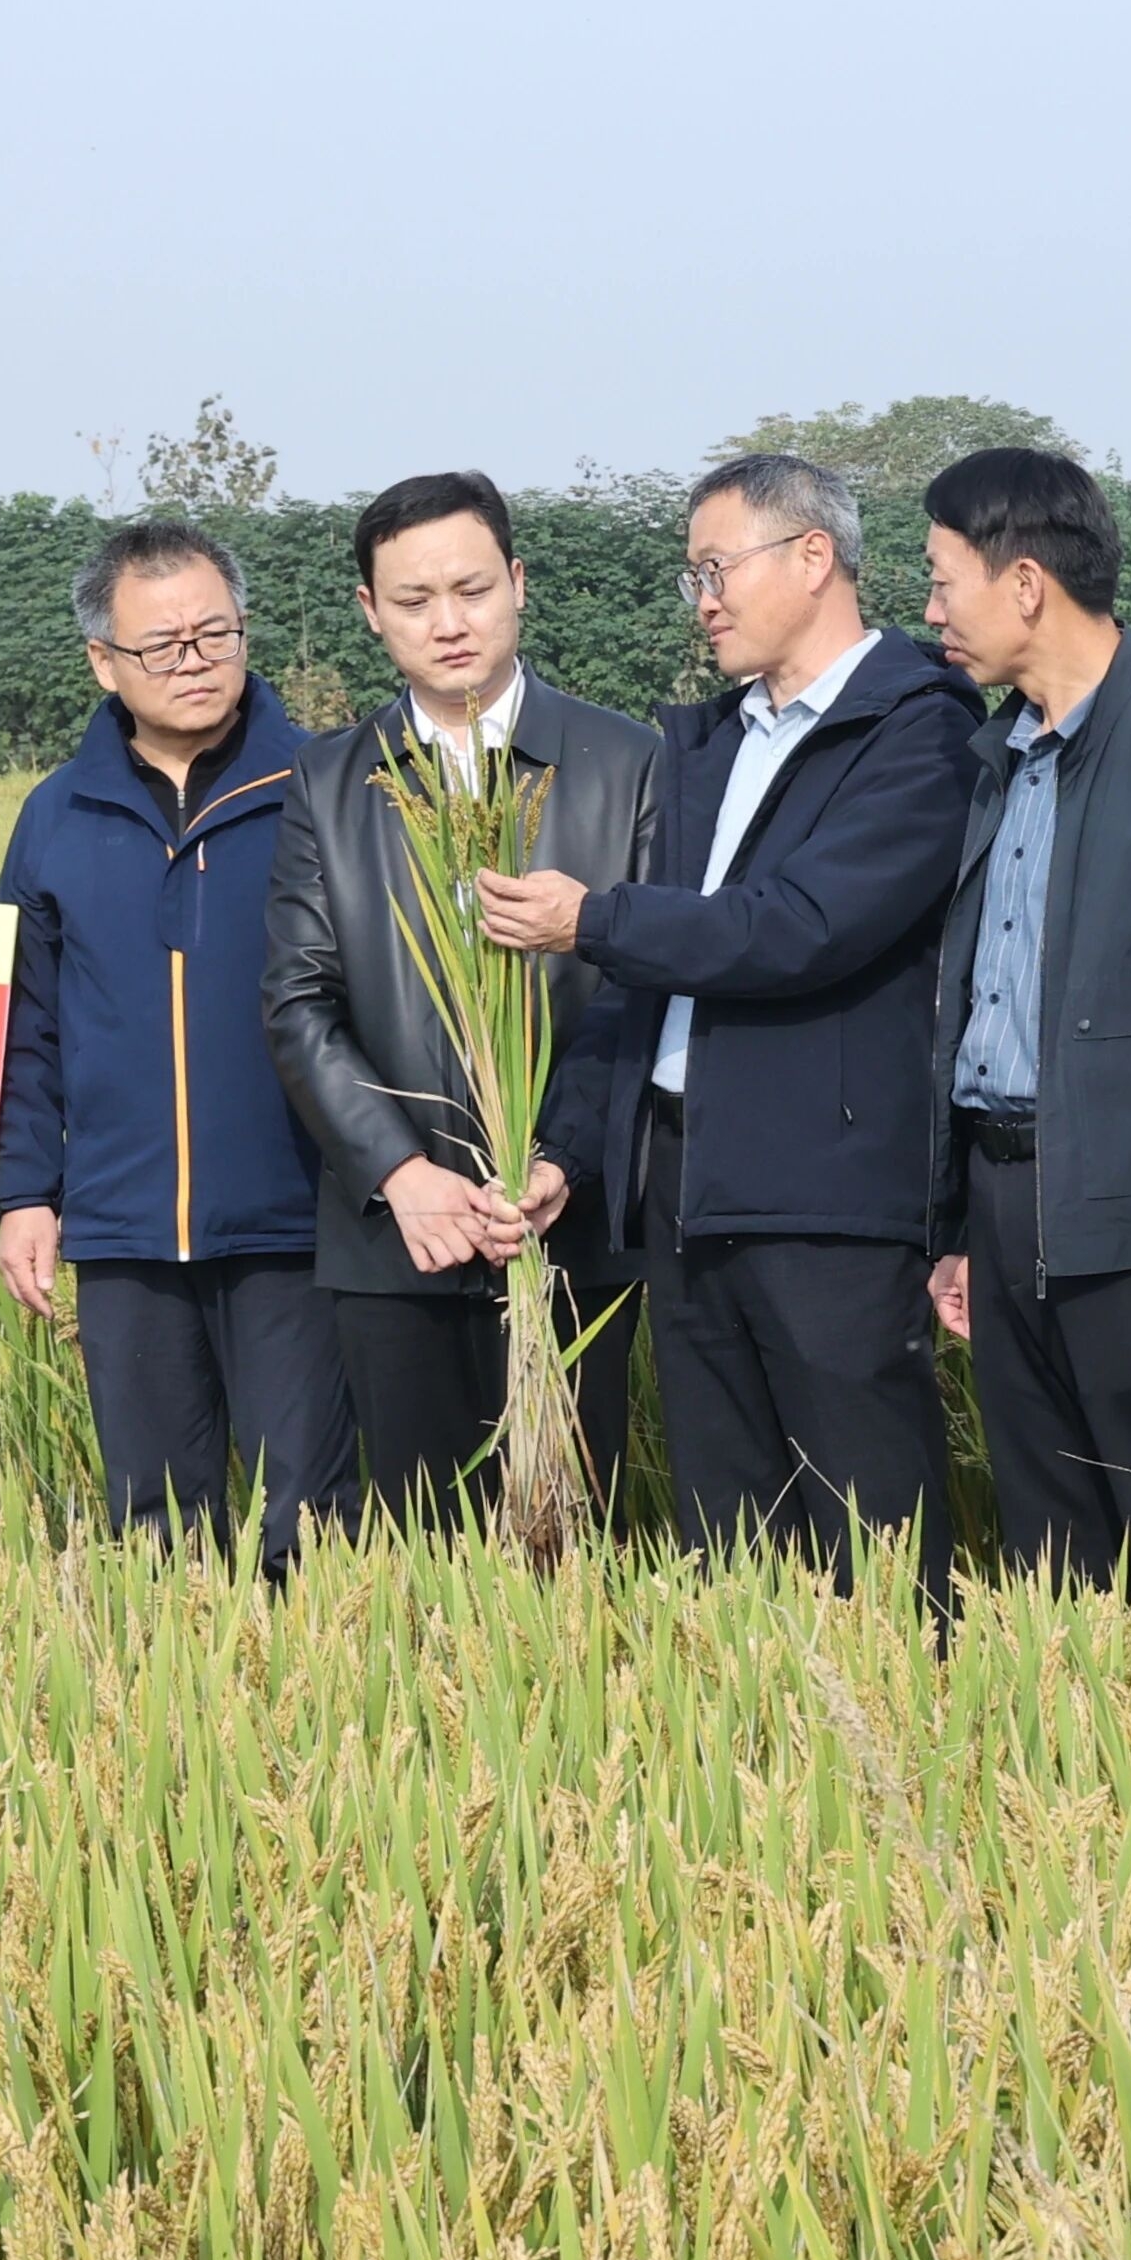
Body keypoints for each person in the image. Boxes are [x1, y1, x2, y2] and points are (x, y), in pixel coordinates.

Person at [478, 454, 977, 1597]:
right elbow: (641, 978)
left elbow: (801, 926)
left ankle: (902, 1738)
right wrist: (569, 1147)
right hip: (688, 1185)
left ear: (813, 558)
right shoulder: (703, 744)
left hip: (826, 1190)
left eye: (718, 567)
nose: (702, 598)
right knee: (728, 1537)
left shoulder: (918, 731)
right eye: (690, 574)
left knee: (868, 1527)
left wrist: (593, 916)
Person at [262, 471, 663, 1528]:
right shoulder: (329, 781)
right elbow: (299, 1001)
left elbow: (642, 988)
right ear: (368, 611)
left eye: (472, 589)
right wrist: (402, 1174)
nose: (449, 623)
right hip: (399, 1241)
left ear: (518, 584)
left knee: (577, 1537)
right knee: (421, 1548)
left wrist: (559, 1159)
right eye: (413, 600)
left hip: (567, 1230)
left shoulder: (628, 764)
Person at [916, 447, 1131, 1619]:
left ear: (1025, 584)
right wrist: (957, 1226)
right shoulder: (1000, 752)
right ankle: (1082, 1774)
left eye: (943, 579)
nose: (930, 612)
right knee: (1050, 1549)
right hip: (1005, 1191)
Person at [0, 520, 342, 1571]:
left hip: (299, 1228)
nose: (194, 662)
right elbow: (24, 1022)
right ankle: (168, 1723)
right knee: (155, 1536)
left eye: (215, 633)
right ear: (103, 660)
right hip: (123, 1233)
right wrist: (23, 1192)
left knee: (313, 1528)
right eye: (162, 645)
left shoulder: (326, 788)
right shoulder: (59, 814)